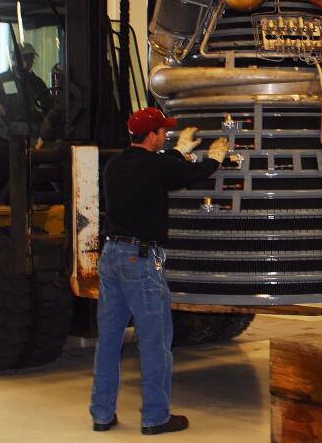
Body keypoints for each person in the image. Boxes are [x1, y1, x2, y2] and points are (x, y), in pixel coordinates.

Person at [90, 107, 229, 435]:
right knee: (154, 341)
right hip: (140, 260)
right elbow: (187, 175)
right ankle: (155, 417)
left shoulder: (115, 164)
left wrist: (179, 151)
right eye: (162, 132)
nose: (165, 135)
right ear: (151, 135)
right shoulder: (155, 166)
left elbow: (163, 168)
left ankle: (101, 414)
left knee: (109, 340)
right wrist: (216, 159)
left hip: (110, 256)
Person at [0, 42, 53, 138]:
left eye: (31, 58)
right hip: (8, 135)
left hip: (35, 132)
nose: (29, 61)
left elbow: (49, 106)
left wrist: (47, 119)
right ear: (14, 58)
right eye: (25, 57)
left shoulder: (37, 83)